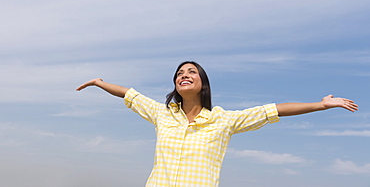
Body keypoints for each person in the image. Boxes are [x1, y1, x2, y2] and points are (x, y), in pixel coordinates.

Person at [76, 61, 358, 187]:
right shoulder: (162, 114)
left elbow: (274, 110)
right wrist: (100, 83)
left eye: (191, 72)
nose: (183, 75)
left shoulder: (224, 120)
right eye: (179, 73)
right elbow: (129, 94)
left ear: (202, 83)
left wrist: (320, 104)